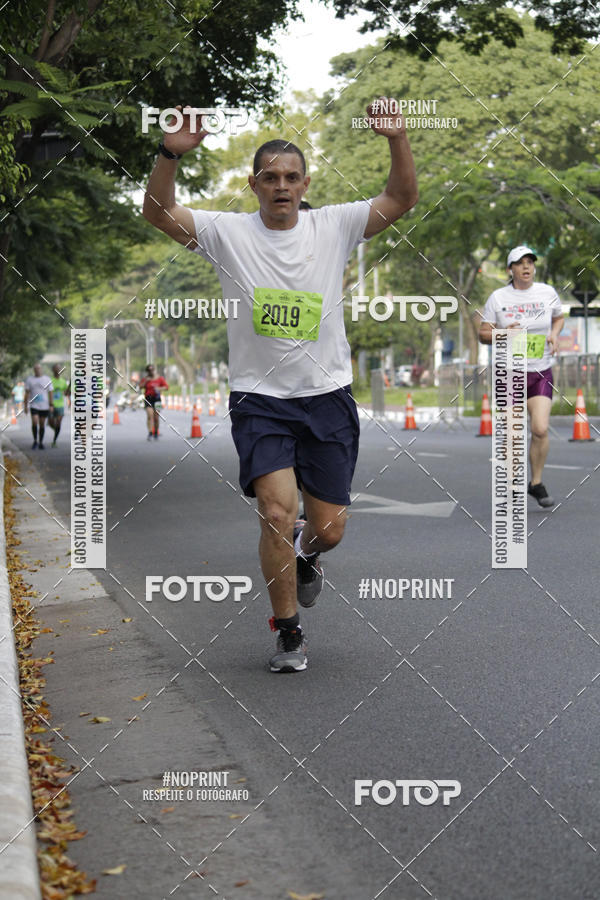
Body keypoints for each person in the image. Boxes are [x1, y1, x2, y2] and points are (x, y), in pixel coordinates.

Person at [142, 99, 418, 671]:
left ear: (306, 183)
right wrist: (170, 152)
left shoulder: (334, 224)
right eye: (271, 177)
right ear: (255, 185)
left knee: (331, 530)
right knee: (274, 510)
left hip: (327, 397)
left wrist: (396, 138)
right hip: (259, 399)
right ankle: (288, 631)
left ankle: (308, 555)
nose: (282, 186)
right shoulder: (227, 232)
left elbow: (401, 199)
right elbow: (157, 211)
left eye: (292, 177)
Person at [479, 245, 565, 508]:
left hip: (541, 371)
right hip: (509, 372)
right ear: (510, 269)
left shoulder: (547, 292)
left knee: (539, 428)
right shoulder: (498, 297)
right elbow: (483, 334)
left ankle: (535, 483)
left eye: (530, 262)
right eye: (520, 263)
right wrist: (503, 334)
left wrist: (554, 333)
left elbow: (559, 317)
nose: (526, 267)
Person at [24, 363, 53, 450]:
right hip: (34, 405)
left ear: (41, 369)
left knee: (42, 424)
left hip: (44, 406)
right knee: (34, 422)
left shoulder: (47, 379)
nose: (37, 370)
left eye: (39, 369)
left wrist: (51, 405)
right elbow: (27, 393)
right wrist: (25, 406)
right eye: (36, 369)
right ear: (34, 370)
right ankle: (35, 440)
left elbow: (50, 392)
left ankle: (41, 442)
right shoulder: (30, 380)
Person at [139, 364, 169, 439]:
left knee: (156, 417)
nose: (151, 372)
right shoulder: (145, 379)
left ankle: (156, 432)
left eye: (152, 370)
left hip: (157, 399)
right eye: (149, 370)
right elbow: (140, 386)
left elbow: (166, 387)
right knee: (150, 415)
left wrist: (159, 388)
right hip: (148, 399)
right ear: (147, 371)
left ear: (154, 370)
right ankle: (150, 432)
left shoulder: (160, 378)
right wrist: (146, 381)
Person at [49, 364, 70, 447]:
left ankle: (54, 440)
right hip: (51, 405)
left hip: (60, 405)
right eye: (56, 369)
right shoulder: (50, 380)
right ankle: (56, 430)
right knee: (51, 422)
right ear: (53, 370)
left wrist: (68, 389)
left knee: (58, 423)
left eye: (59, 369)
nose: (58, 371)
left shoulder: (63, 381)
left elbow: (66, 393)